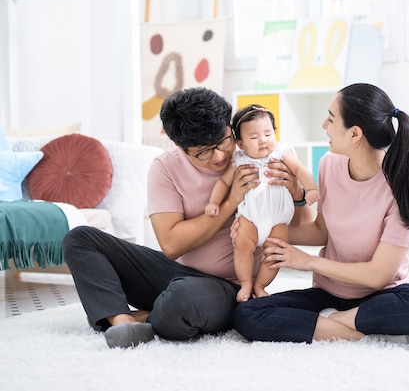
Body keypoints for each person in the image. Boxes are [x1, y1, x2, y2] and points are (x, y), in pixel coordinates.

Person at [62, 87, 312, 349]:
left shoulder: (259, 154)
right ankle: (123, 320)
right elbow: (171, 245)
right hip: (175, 272)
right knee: (80, 238)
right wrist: (230, 202)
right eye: (203, 151)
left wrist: (296, 192)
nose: (219, 156)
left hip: (230, 286)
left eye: (224, 141)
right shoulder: (165, 168)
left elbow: (303, 227)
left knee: (182, 301)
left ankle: (148, 315)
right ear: (180, 147)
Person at [233, 83, 409, 344]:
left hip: (380, 296)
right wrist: (258, 229)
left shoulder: (402, 187)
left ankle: (334, 323)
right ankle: (361, 332)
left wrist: (307, 261)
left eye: (331, 119)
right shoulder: (329, 164)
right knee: (247, 314)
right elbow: (322, 231)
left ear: (354, 134)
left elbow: (378, 276)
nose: (324, 125)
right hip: (328, 294)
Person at [206, 105, 319, 303]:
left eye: (268, 133)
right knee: (242, 247)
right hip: (250, 217)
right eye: (254, 137)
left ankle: (260, 285)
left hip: (277, 221)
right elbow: (223, 183)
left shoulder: (282, 153)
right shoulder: (239, 160)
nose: (263, 140)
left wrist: (310, 189)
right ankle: (246, 283)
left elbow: (301, 171)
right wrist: (214, 202)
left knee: (275, 254)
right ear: (240, 143)